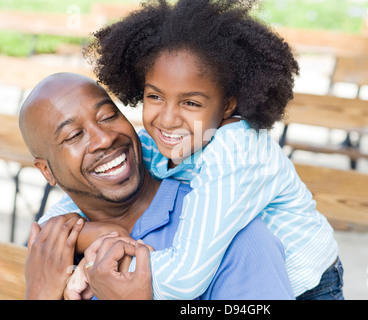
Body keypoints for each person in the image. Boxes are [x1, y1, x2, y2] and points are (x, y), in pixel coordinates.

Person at [41, 0, 343, 300]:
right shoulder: (160, 142)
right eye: (155, 96)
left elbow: (182, 280)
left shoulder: (237, 154)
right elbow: (51, 223)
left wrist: (96, 268)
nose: (168, 118)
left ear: (228, 104)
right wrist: (86, 233)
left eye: (191, 103)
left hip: (309, 288)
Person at [20, 72, 294, 300]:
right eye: (74, 135)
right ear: (46, 170)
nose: (104, 139)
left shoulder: (235, 239)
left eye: (107, 116)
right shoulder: (54, 249)